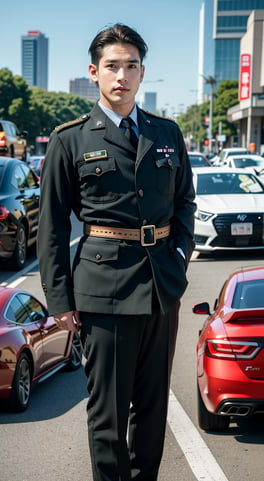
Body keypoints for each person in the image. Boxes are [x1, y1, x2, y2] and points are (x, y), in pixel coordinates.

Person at [37, 23, 196, 481]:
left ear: (142, 73)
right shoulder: (71, 139)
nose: (121, 75)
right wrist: (61, 301)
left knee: (152, 409)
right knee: (108, 416)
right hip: (102, 290)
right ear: (94, 72)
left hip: (161, 288)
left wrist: (180, 260)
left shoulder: (167, 133)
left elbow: (184, 201)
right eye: (112, 66)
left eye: (130, 66)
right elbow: (50, 228)